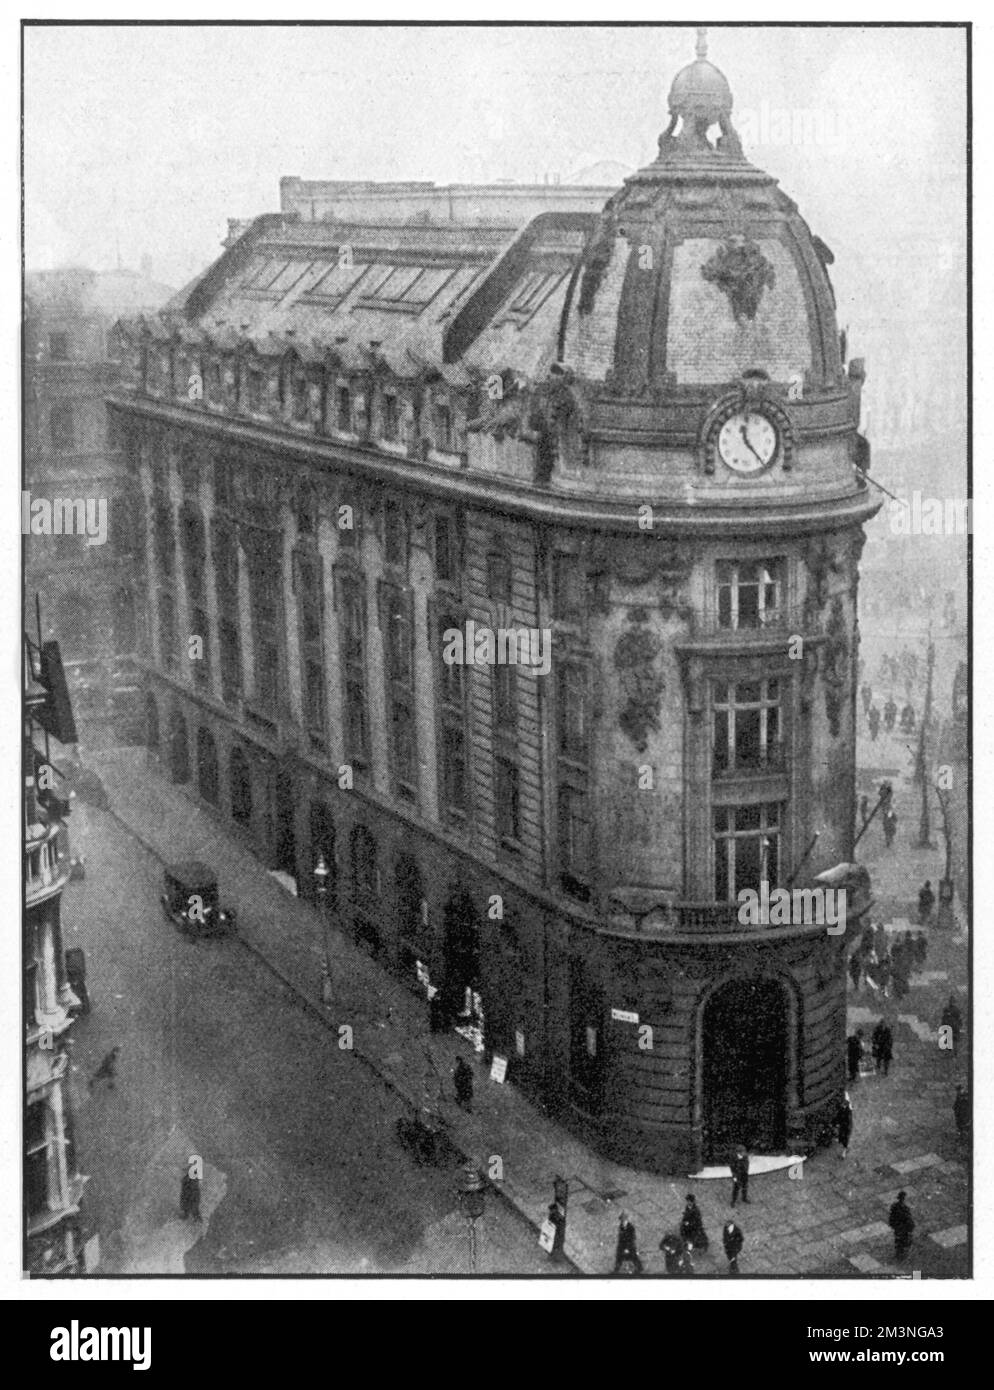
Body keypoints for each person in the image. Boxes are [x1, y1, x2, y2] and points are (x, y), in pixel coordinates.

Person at [888, 1191, 915, 1261]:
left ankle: (899, 1252)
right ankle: (901, 1253)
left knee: (899, 1239)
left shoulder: (894, 1206)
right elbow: (908, 1218)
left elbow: (891, 1217)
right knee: (904, 1240)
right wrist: (911, 1226)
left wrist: (893, 1224)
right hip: (903, 1227)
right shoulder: (905, 1208)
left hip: (898, 1227)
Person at [546, 1197, 567, 1264]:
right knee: (552, 1246)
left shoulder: (558, 1218)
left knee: (556, 1246)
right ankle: (554, 1257)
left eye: (551, 1210)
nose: (550, 1211)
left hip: (556, 1234)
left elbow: (560, 1227)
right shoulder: (552, 1215)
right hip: (553, 1233)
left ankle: (557, 1258)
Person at [836, 1092, 854, 1158]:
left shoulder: (848, 1111)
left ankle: (844, 1152)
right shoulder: (842, 1108)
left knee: (845, 1138)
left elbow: (848, 1121)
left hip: (847, 1126)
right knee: (841, 1136)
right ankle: (844, 1148)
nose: (843, 1105)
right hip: (843, 1124)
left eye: (844, 1105)